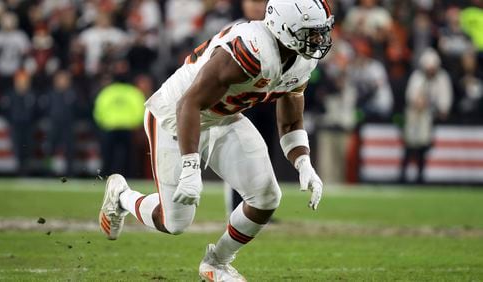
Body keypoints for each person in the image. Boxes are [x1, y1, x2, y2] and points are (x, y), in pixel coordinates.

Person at [98, 0, 332, 280]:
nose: (318, 39)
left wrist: (304, 163)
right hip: (173, 117)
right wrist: (190, 168)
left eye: (320, 31)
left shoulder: (301, 59)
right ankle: (122, 197)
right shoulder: (248, 48)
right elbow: (189, 104)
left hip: (223, 117)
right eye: (310, 31)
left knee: (266, 197)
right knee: (174, 223)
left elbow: (291, 120)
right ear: (283, 27)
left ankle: (217, 262)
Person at [223, 0, 269, 217]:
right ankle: (235, 208)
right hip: (240, 100)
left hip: (268, 100)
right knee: (240, 156)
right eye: (253, 1)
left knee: (264, 153)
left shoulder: (275, 28)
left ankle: (258, 207)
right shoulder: (234, 29)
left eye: (262, 1)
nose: (257, 6)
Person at [400, 48, 452, 184]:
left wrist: (440, 109)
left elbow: (444, 100)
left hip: (429, 116)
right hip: (414, 115)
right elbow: (411, 96)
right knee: (410, 145)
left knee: (423, 145)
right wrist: (418, 101)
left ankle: (420, 175)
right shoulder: (417, 77)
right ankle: (403, 175)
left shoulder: (442, 78)